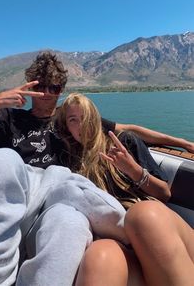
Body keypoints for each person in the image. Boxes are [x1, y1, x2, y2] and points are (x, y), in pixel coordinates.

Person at [0, 51, 193, 284]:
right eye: (41, 86)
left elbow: (127, 129)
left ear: (61, 91)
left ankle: (131, 229)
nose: (47, 93)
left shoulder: (70, 119)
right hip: (19, 200)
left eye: (55, 88)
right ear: (30, 86)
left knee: (68, 218)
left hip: (56, 204)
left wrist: (181, 143)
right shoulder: (8, 118)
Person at [56, 92, 194, 286]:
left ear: (96, 119)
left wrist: (134, 171)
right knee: (100, 255)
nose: (83, 125)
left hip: (157, 233)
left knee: (143, 216)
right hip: (123, 246)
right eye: (73, 120)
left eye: (87, 118)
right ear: (66, 126)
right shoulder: (68, 160)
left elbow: (164, 193)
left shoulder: (124, 143)